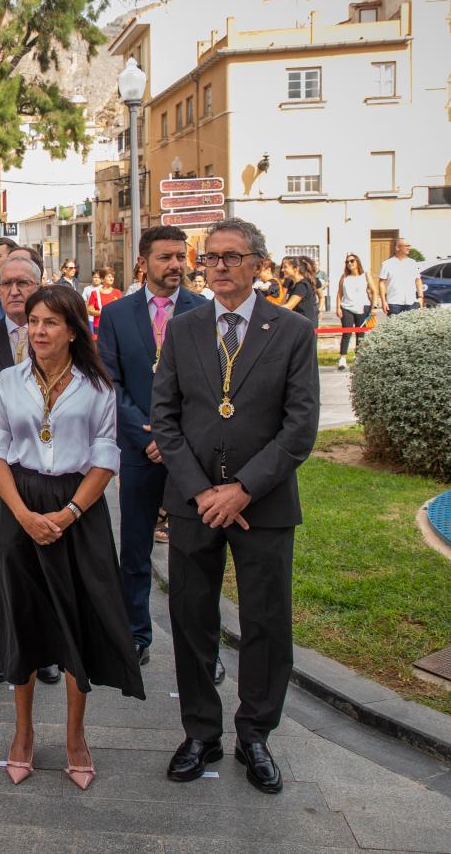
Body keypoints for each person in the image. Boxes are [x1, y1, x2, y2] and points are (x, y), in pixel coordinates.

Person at [151, 217, 319, 795]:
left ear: (257, 265)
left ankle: (255, 734)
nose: (218, 266)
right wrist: (202, 492)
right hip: (195, 501)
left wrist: (243, 488)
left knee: (266, 623)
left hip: (262, 504)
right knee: (191, 618)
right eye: (211, 258)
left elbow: (300, 428)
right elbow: (165, 420)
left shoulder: (292, 330)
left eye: (231, 257)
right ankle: (200, 731)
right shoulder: (185, 329)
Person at [0, 284, 143, 789]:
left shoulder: (98, 387)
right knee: (21, 619)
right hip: (18, 505)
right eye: (32, 322)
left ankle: (76, 735)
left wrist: (69, 513)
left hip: (80, 507)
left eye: (50, 322)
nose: (38, 331)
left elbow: (105, 458)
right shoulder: (8, 382)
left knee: (79, 617)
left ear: (73, 329)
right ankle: (23, 732)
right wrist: (24, 515)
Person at [96, 226, 212, 675]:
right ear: (144, 261)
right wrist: (147, 437)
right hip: (139, 450)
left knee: (197, 554)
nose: (176, 265)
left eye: (181, 257)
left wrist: (174, 439)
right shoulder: (117, 314)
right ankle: (136, 635)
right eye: (165, 257)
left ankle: (201, 648)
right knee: (136, 548)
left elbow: (207, 389)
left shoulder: (202, 311)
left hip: (190, 454)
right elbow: (110, 382)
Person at [0, 256, 61, 684]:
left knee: (49, 562)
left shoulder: (59, 335)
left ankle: (51, 651)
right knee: (6, 561)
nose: (15, 291)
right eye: (6, 284)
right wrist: (0, 449)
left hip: (54, 471)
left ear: (40, 286)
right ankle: (9, 648)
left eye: (24, 283)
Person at [335, 254, 377, 370]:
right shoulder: (344, 277)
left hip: (363, 308)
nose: (349, 263)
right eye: (347, 262)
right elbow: (339, 293)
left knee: (361, 334)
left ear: (357, 262)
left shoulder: (366, 275)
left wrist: (374, 307)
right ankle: (342, 359)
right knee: (346, 333)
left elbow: (374, 291)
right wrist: (338, 307)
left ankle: (358, 358)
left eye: (352, 261)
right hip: (346, 307)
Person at [379, 240, 423, 315]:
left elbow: (418, 280)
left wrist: (420, 297)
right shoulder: (387, 264)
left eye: (409, 246)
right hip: (393, 304)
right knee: (393, 326)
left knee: (412, 326)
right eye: (406, 246)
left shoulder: (413, 263)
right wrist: (383, 301)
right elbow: (381, 283)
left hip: (411, 303)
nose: (409, 248)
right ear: (397, 248)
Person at [278, 257, 319, 326]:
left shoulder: (302, 285)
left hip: (305, 326)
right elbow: (284, 303)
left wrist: (270, 310)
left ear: (296, 269)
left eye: (285, 267)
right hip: (297, 323)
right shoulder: (292, 284)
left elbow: (289, 306)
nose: (282, 270)